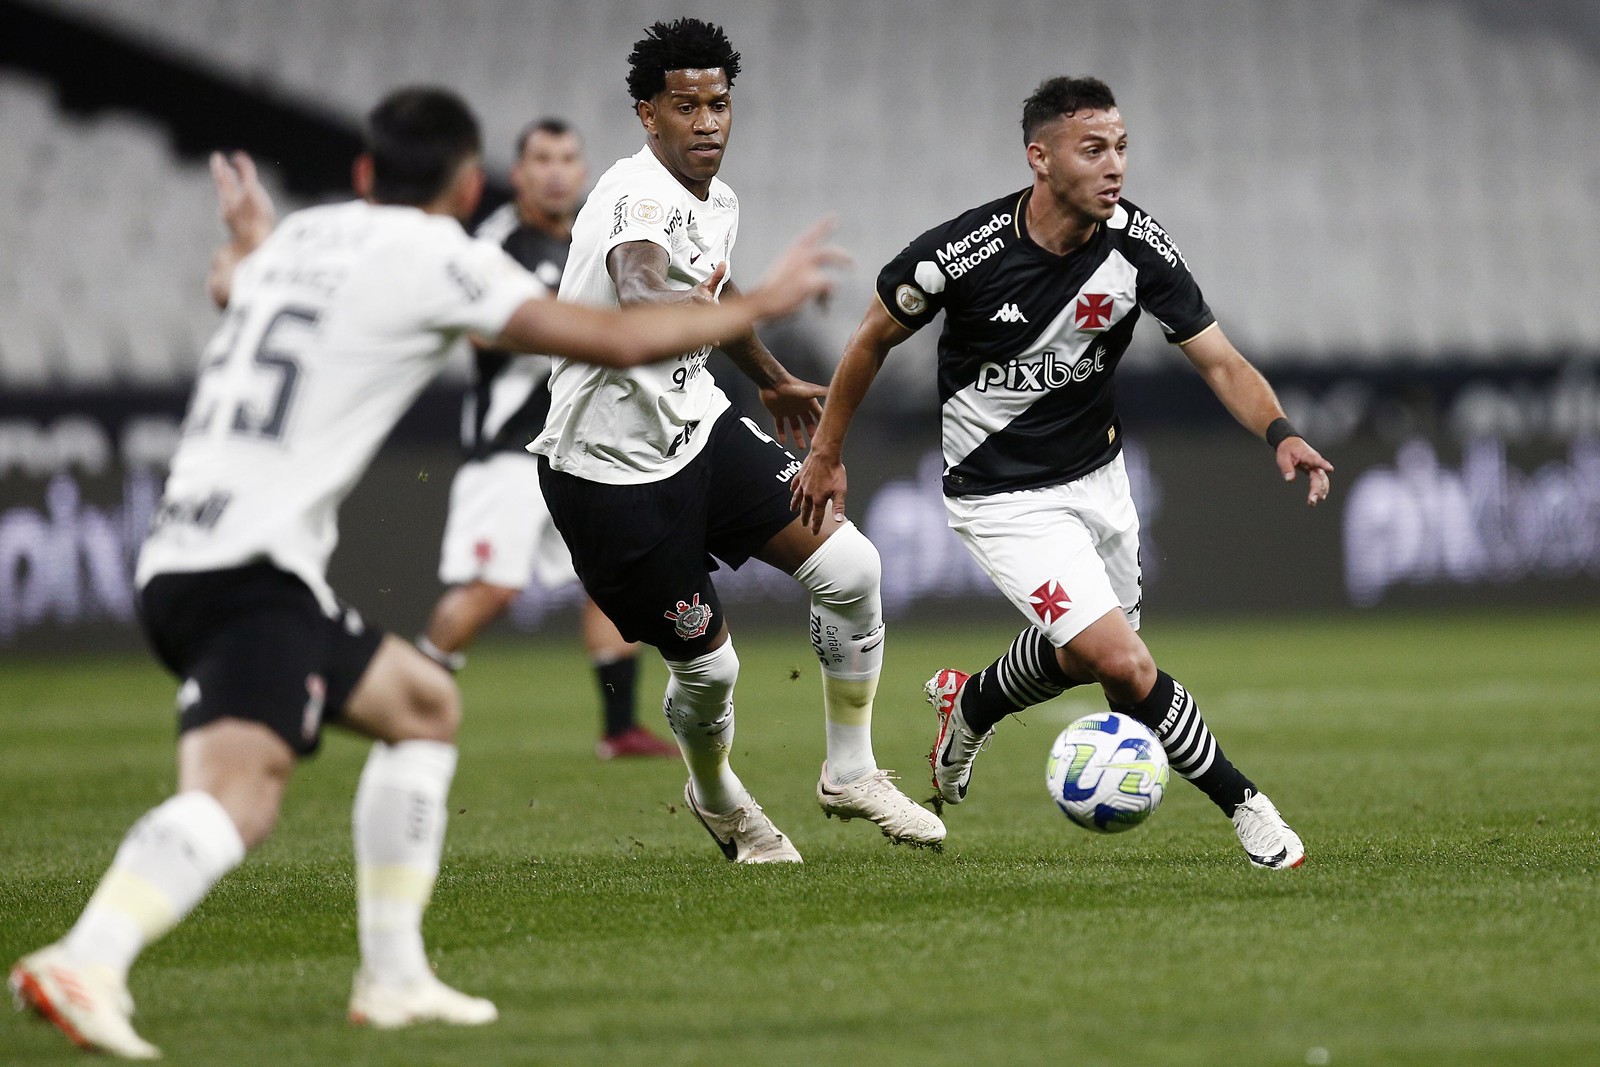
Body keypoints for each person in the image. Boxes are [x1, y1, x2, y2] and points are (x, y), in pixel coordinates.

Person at [8, 85, 845, 1059]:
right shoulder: (440, 253)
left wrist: (248, 240)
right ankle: (87, 956)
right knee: (240, 796)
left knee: (420, 705)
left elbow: (232, 289)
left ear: (363, 174)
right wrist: (761, 302)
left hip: (190, 550)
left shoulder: (304, 236)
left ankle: (395, 976)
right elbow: (618, 337)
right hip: (247, 571)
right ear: (462, 186)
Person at [792, 76, 1333, 871]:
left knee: (1099, 664)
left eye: (1121, 148)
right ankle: (1248, 807)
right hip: (1001, 496)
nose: (1114, 166)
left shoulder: (1138, 244)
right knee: (1126, 664)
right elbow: (871, 336)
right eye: (1093, 150)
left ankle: (970, 701)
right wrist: (827, 451)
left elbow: (1218, 359)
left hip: (1101, 482)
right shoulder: (963, 252)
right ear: (1039, 158)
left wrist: (1280, 432)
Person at [531, 17, 945, 863]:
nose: (709, 122)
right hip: (610, 477)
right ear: (648, 115)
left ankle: (850, 768)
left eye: (719, 104)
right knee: (712, 673)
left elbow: (710, 290)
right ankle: (718, 796)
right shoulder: (633, 200)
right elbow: (647, 295)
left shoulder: (715, 201)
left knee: (853, 567)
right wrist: (755, 310)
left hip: (700, 430)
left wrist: (767, 371)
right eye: (686, 107)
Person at [418, 117, 675, 761]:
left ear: (584, 172)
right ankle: (414, 699)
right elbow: (482, 330)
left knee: (612, 581)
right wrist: (580, 325)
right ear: (520, 171)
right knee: (492, 592)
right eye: (541, 158)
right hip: (506, 450)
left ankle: (619, 730)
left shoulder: (596, 238)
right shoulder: (496, 241)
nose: (556, 170)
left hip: (581, 448)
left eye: (567, 157)